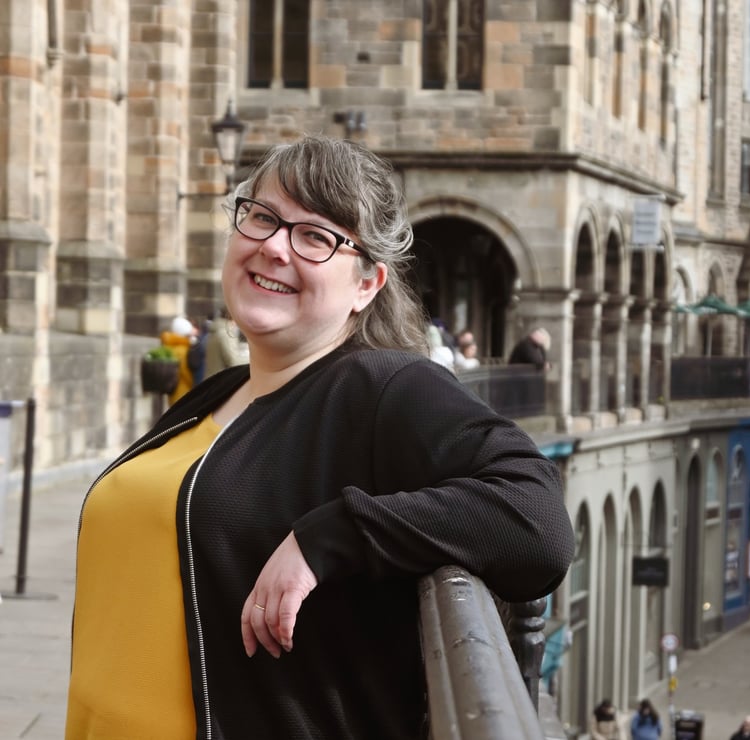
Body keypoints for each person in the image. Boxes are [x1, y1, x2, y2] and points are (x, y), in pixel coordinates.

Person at [65, 134, 574, 740]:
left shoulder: (383, 386)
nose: (275, 247)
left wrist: (333, 535)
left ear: (367, 284)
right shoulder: (219, 391)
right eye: (262, 217)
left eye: (316, 237)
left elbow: (538, 518)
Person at [160, 315, 198, 403]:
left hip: (174, 392)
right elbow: (185, 372)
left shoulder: (170, 347)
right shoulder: (182, 350)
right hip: (183, 393)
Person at [203, 307, 249, 379]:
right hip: (222, 382)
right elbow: (234, 362)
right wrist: (255, 358)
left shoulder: (216, 330)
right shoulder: (226, 333)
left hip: (213, 380)